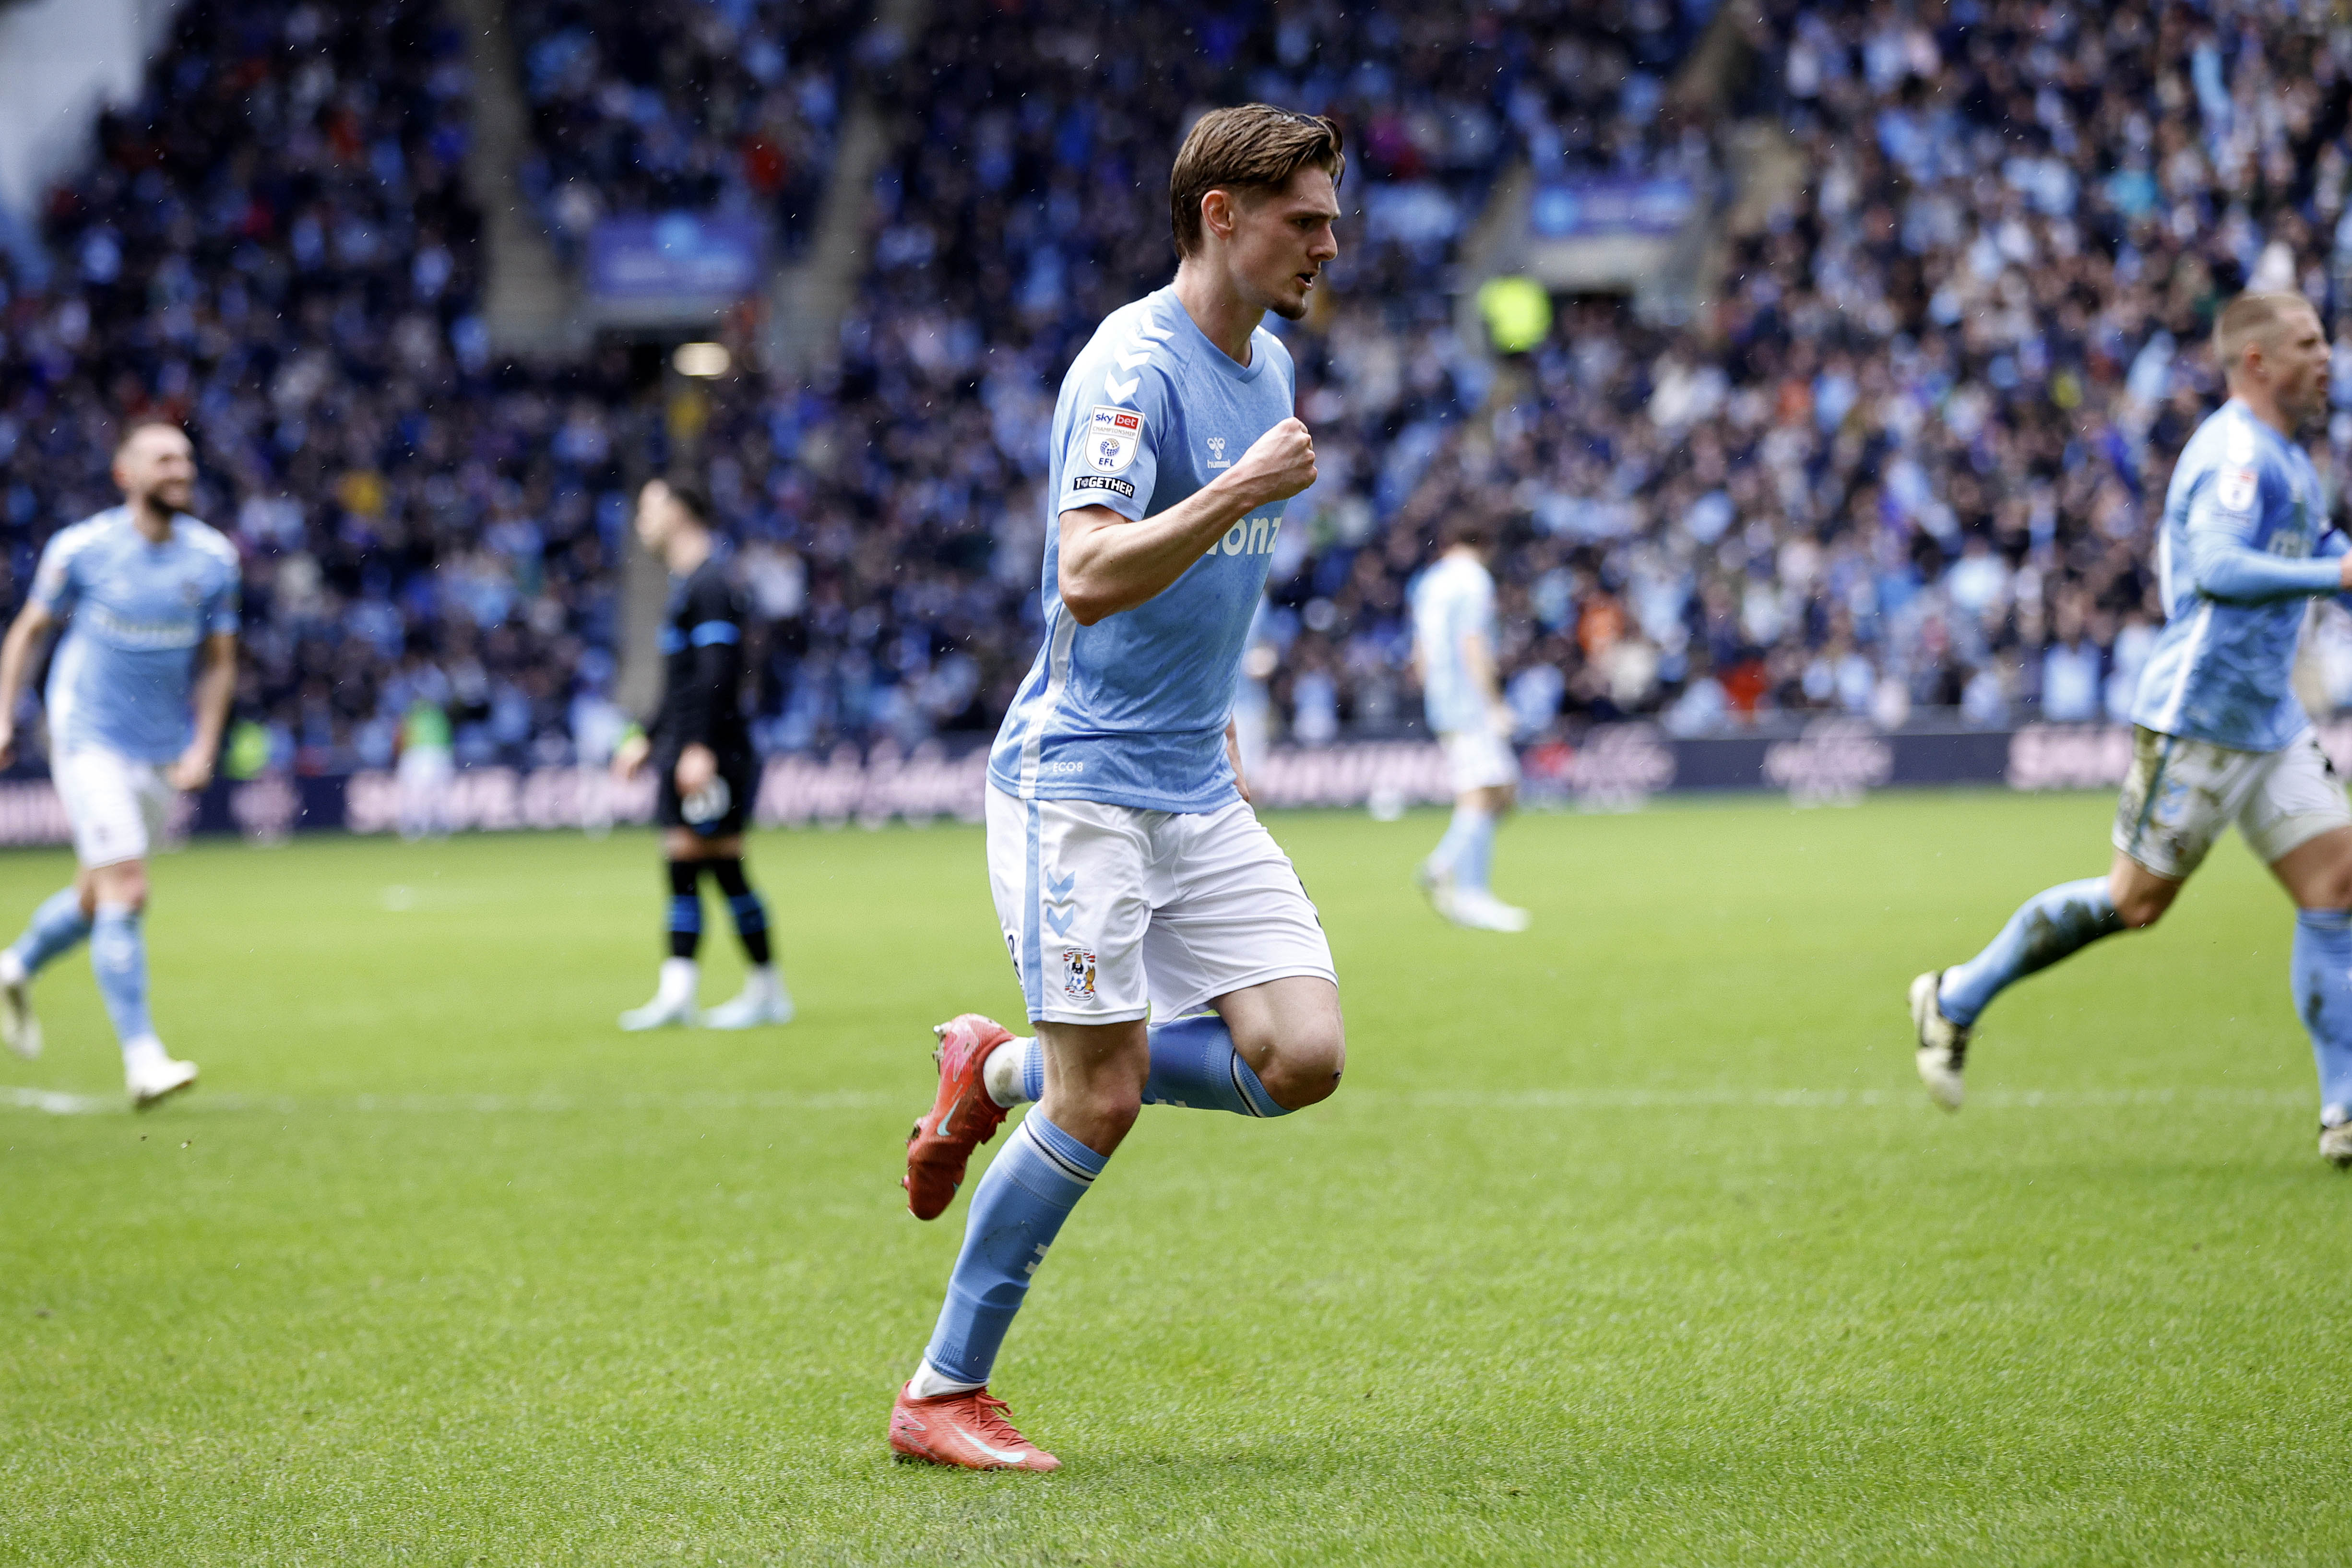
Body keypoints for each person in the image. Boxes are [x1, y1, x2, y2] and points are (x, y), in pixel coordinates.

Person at [886, 105, 1348, 1473]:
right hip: (1077, 784)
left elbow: (1209, 595)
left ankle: (997, 1064)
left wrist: (1217, 732)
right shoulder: (1130, 368)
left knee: (1299, 1058)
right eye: (1304, 219)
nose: (1329, 241)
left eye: (1330, 219)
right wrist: (1239, 487)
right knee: (1104, 1098)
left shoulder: (1263, 369)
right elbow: (1085, 573)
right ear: (1221, 215)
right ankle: (941, 1391)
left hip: (1192, 779)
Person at [1911, 292, 2352, 1166]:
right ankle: (1954, 996)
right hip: (2198, 714)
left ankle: (2342, 1110)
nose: (2326, 355)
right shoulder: (2234, 452)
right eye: (2307, 342)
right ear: (2256, 360)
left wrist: (2331, 558)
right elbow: (2219, 567)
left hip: (2264, 715)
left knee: (2335, 886)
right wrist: (2331, 569)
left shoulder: (2289, 462)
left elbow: (2316, 547)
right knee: (2134, 901)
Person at [0, 422, 238, 1106]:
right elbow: (28, 631)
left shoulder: (215, 559)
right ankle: (143, 1061)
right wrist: (4, 714)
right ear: (124, 474)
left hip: (159, 748)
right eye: (164, 459)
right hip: (86, 734)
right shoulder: (83, 549)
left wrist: (202, 744)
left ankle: (16, 965)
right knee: (128, 887)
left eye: (187, 459)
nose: (180, 469)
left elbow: (221, 662)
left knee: (98, 893)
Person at [611, 479, 791, 1032]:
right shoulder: (691, 583)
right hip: (690, 744)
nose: (641, 518)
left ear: (681, 512)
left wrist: (698, 746)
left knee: (710, 862)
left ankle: (745, 990)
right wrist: (649, 733)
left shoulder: (711, 582)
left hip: (712, 748)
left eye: (649, 507)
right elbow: (684, 681)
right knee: (697, 863)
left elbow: (720, 674)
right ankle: (693, 991)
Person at [1410, 514, 1530, 931]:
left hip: (1444, 701)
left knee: (1504, 790)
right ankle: (1457, 880)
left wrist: (1433, 695)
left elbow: (1421, 650)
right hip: (1468, 702)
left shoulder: (1429, 583)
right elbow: (1472, 642)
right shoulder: (1474, 580)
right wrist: (1493, 703)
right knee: (1482, 794)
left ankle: (1459, 878)